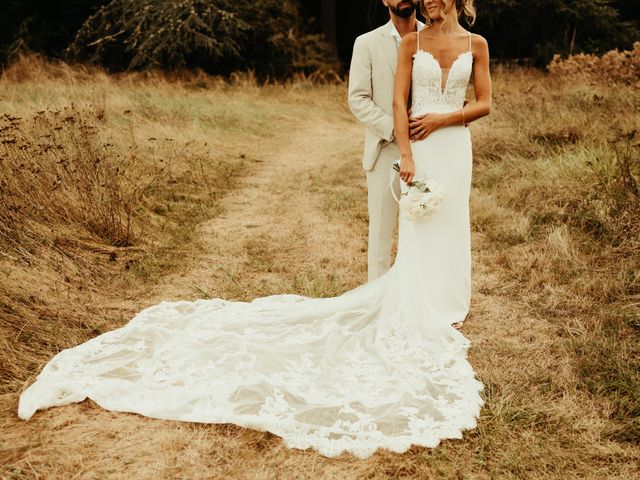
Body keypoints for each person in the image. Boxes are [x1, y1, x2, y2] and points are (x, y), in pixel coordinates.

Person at [18, 0, 491, 460]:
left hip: (450, 147)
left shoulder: (471, 42)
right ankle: (390, 303)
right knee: (392, 234)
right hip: (403, 145)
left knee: (446, 223)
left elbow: (482, 100)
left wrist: (442, 119)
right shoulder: (380, 43)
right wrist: (402, 140)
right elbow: (364, 99)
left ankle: (443, 300)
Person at [348, 0, 424, 282]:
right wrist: (397, 129)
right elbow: (357, 98)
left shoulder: (435, 36)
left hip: (429, 146)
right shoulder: (367, 43)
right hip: (385, 148)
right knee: (381, 232)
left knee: (422, 227)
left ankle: (419, 295)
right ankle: (376, 302)